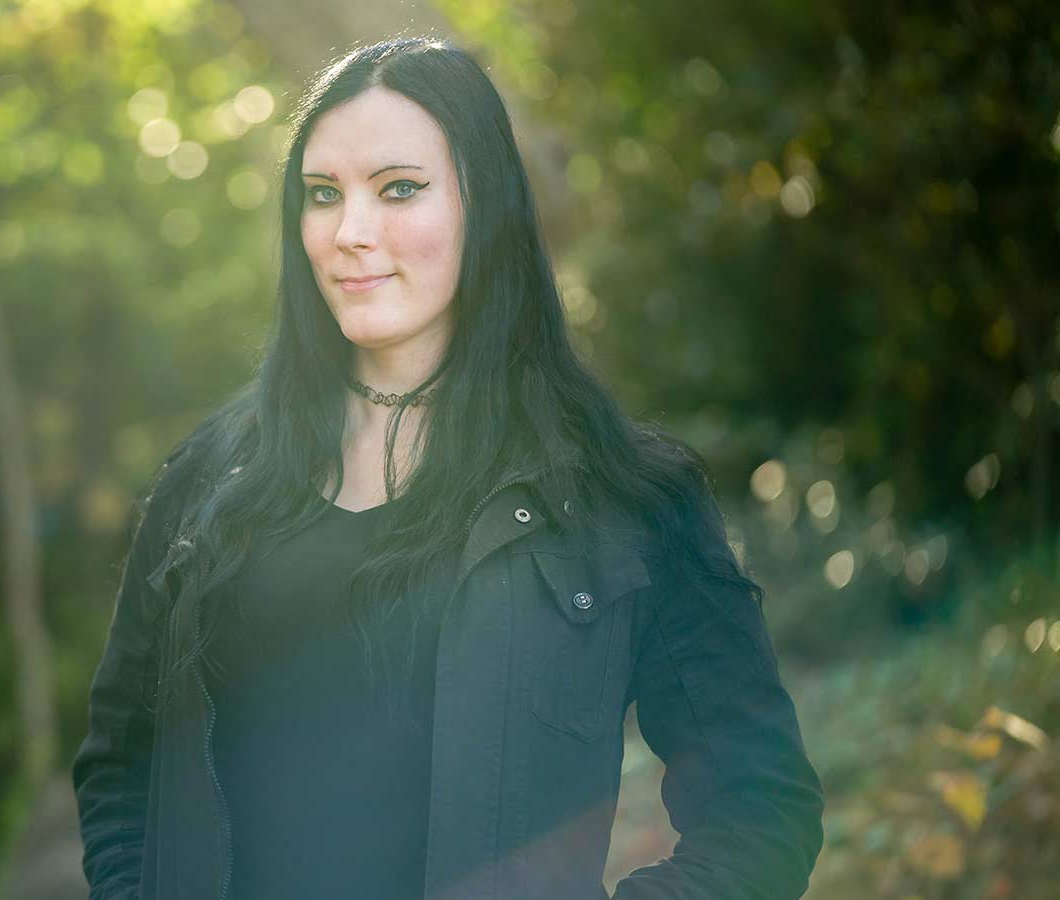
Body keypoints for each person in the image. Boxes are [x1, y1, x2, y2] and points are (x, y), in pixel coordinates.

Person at [72, 35, 824, 900]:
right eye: (323, 195)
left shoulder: (625, 496)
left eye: (399, 189)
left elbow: (760, 806)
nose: (350, 234)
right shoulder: (207, 483)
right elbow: (124, 770)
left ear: (486, 205)